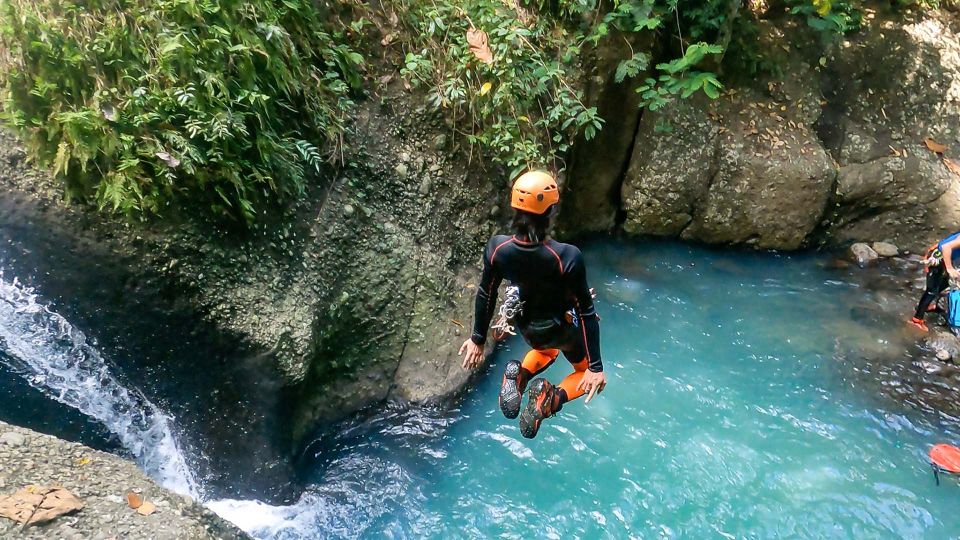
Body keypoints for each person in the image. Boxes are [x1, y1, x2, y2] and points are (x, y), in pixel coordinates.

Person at [458, 170, 605, 439]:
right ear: (550, 212)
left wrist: (477, 338)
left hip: (527, 328)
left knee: (547, 350)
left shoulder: (498, 248)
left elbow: (486, 293)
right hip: (561, 327)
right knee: (583, 372)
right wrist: (596, 368)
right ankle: (549, 399)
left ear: (514, 208)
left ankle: (520, 377)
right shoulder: (566, 256)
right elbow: (586, 311)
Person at [910, 231, 960, 332]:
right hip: (937, 258)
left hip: (946, 257)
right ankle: (917, 320)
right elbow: (946, 247)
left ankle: (926, 305)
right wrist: (950, 268)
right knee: (931, 289)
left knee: (946, 282)